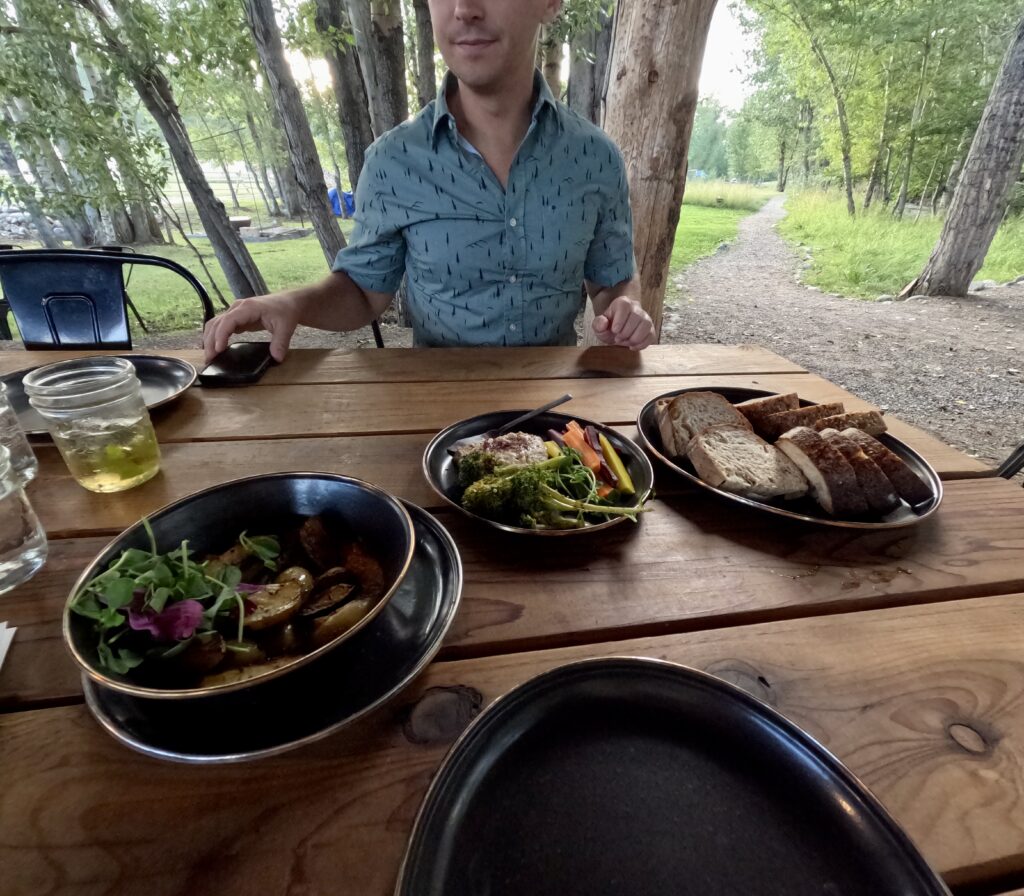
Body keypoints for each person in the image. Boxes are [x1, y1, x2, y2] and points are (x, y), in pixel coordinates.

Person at [203, 0, 654, 363]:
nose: (464, 8)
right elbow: (363, 291)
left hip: (556, 416)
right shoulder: (392, 161)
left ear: (551, 4)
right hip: (435, 420)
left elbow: (612, 280)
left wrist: (624, 308)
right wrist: (293, 304)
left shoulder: (595, 158)